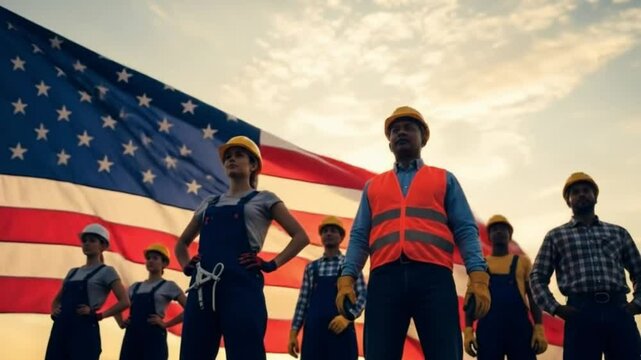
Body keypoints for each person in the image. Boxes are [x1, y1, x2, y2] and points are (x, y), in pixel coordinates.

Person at [335, 106, 490, 360]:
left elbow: (465, 229)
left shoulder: (443, 179)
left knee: (445, 354)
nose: (401, 133)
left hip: (434, 279)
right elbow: (360, 237)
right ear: (389, 143)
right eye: (395, 130)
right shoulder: (373, 187)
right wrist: (346, 279)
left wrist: (479, 277)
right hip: (385, 280)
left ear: (423, 138)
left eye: (409, 128)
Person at [175, 135, 310, 360]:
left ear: (253, 164)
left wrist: (271, 263)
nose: (232, 160)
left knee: (245, 354)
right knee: (193, 354)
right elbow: (181, 244)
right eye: (228, 157)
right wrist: (186, 264)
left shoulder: (264, 199)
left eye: (239, 155)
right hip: (202, 291)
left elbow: (300, 236)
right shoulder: (209, 203)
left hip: (242, 289)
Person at [530, 171, 641, 359]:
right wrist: (556, 308)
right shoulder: (556, 236)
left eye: (586, 190)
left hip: (618, 309)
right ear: (568, 201)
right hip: (580, 312)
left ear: (595, 197)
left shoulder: (618, 233)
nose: (581, 194)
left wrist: (637, 304)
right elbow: (536, 277)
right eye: (575, 192)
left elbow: (638, 271)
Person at [464, 215, 547, 359]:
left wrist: (539, 327)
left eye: (503, 229)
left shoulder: (523, 262)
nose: (499, 232)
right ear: (489, 236)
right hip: (489, 330)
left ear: (510, 235)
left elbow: (533, 297)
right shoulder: (480, 265)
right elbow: (471, 300)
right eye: (494, 229)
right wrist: (469, 330)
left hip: (519, 329)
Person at [45, 223, 130, 360]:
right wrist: (54, 310)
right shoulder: (73, 272)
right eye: (84, 241)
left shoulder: (107, 271)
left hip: (84, 330)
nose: (87, 244)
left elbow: (125, 301)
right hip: (60, 330)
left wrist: (100, 315)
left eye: (92, 240)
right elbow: (57, 300)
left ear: (103, 246)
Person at [288, 216, 367, 359]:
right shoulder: (311, 268)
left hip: (341, 334)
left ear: (341, 236)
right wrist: (294, 332)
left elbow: (363, 295)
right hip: (314, 336)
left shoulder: (350, 266)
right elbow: (303, 303)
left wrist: (347, 317)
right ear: (321, 236)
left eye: (333, 231)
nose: (328, 234)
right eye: (325, 231)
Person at [117, 243, 187, 360]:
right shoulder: (135, 287)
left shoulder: (169, 286)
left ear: (164, 263)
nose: (150, 261)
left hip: (154, 338)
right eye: (148, 258)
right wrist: (121, 322)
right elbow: (118, 305)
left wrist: (166, 324)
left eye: (155, 258)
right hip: (132, 337)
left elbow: (190, 308)